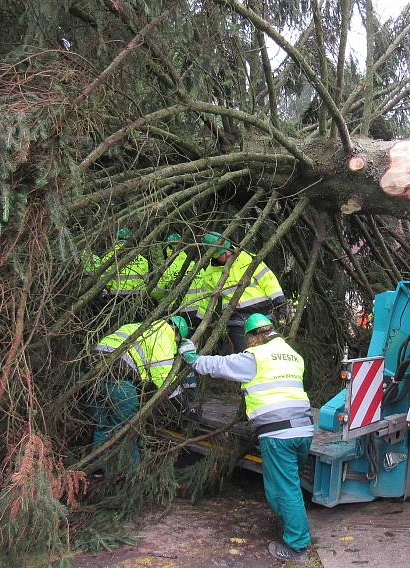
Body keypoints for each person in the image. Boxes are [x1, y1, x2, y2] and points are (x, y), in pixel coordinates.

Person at [183, 314, 313, 564]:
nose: (247, 344)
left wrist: (193, 359)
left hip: (278, 433)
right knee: (283, 486)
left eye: (248, 339)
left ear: (255, 336)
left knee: (286, 489)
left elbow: (221, 365)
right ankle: (289, 526)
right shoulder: (293, 356)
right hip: (304, 430)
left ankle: (298, 548)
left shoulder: (257, 356)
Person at [90, 316, 196, 464]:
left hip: (93, 373)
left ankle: (100, 466)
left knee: (103, 424)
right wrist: (183, 407)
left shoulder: (139, 326)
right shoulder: (164, 336)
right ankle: (130, 472)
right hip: (119, 378)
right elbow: (164, 380)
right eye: (177, 341)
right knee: (128, 429)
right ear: (176, 333)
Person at [201, 231, 287, 352]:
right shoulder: (210, 273)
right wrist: (201, 321)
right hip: (236, 321)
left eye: (228, 248)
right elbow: (207, 300)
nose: (228, 253)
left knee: (271, 351)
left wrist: (280, 301)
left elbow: (268, 280)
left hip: (262, 315)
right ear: (213, 255)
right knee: (246, 355)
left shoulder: (248, 257)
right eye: (222, 253)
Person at [154, 233, 209, 330]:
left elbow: (159, 292)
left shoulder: (169, 268)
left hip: (175, 312)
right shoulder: (196, 266)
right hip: (197, 311)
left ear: (168, 248)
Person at [86, 227, 149, 297]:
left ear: (116, 239)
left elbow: (104, 280)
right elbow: (146, 281)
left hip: (116, 295)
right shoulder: (142, 259)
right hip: (137, 295)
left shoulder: (109, 257)